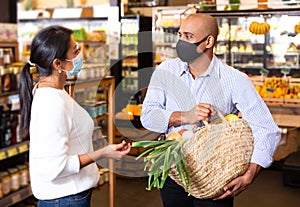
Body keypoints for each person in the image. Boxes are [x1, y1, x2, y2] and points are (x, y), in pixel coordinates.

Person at [141, 13, 280, 207]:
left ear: (208, 41)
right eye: (180, 35)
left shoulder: (234, 80)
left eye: (188, 37)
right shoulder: (166, 71)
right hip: (173, 171)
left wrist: (250, 174)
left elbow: (266, 128)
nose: (181, 42)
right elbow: (147, 117)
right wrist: (186, 116)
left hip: (215, 176)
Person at [19, 25, 131, 207]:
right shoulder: (52, 104)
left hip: (68, 196)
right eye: (75, 51)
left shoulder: (54, 92)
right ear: (58, 64)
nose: (81, 55)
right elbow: (55, 167)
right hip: (65, 199)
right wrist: (102, 153)